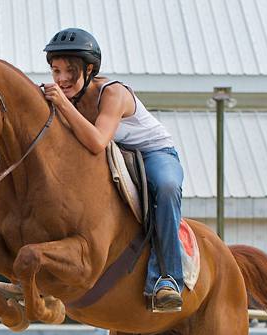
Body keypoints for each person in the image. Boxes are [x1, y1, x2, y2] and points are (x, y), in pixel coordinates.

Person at [42, 28, 185, 312]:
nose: (61, 79)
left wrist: (60, 103)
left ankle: (168, 279)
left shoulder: (114, 93)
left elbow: (96, 140)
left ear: (89, 69)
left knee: (167, 187)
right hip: (116, 153)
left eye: (69, 71)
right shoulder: (63, 95)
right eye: (56, 70)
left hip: (153, 153)